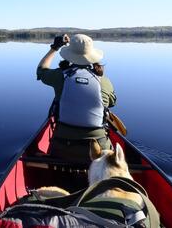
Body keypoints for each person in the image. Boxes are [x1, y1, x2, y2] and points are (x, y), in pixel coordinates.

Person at [36, 33, 116, 163]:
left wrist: (54, 48)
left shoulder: (60, 76)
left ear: (69, 54)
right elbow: (112, 103)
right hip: (98, 151)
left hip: (62, 147)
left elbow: (41, 71)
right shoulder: (104, 82)